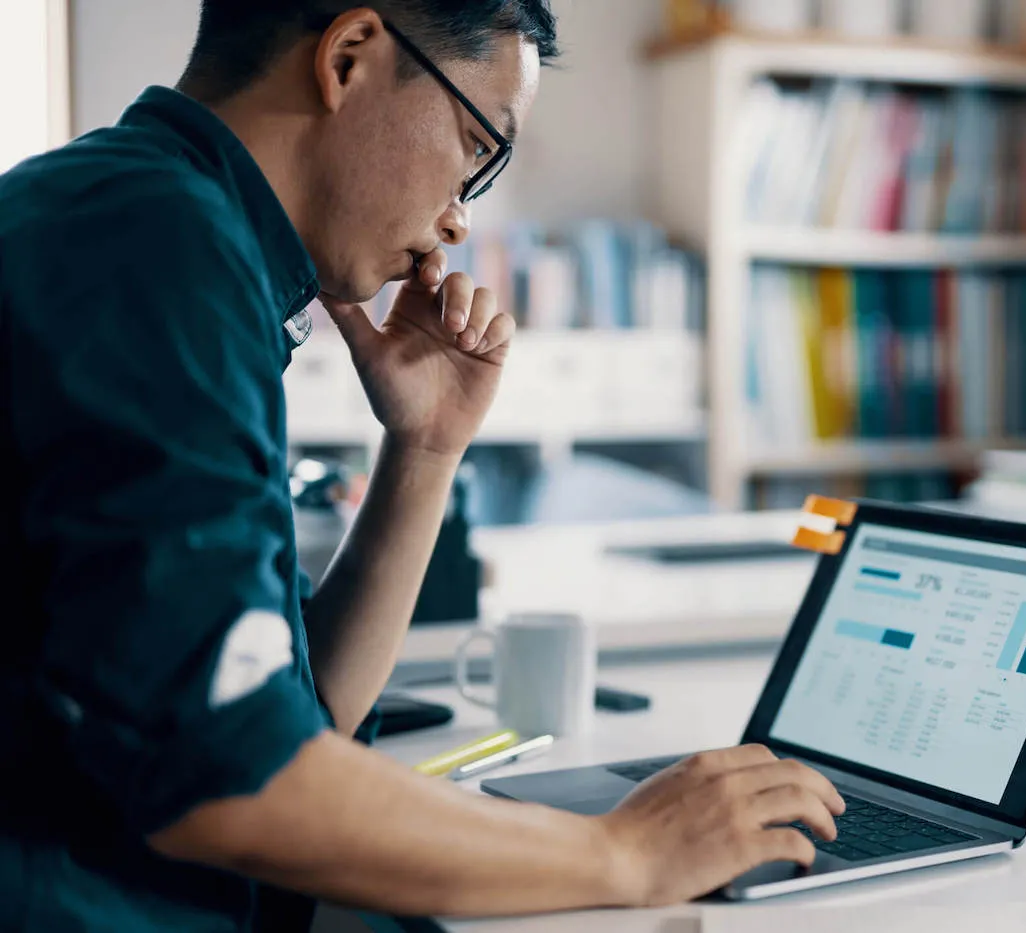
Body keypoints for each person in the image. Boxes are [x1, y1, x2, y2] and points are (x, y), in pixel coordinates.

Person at [0, 2, 845, 930]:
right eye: (478, 146)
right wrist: (627, 851)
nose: (454, 220)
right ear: (350, 56)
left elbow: (294, 714)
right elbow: (233, 778)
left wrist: (426, 447)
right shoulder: (154, 251)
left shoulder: (162, 226)